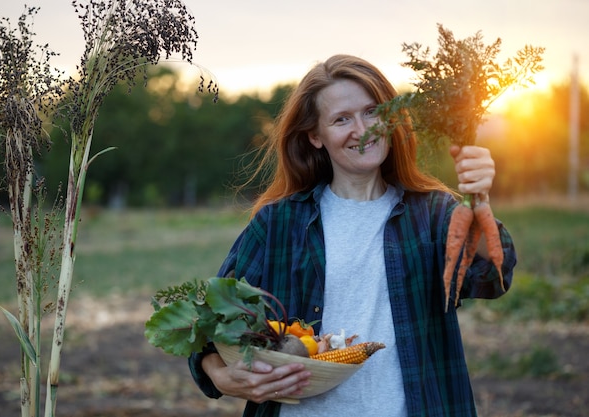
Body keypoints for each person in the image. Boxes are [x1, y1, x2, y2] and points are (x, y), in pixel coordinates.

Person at [188, 54, 516, 417]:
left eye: (372, 111)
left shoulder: (434, 214)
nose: (363, 129)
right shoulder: (278, 223)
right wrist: (220, 375)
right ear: (315, 136)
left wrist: (479, 201)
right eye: (342, 119)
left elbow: (490, 278)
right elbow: (209, 322)